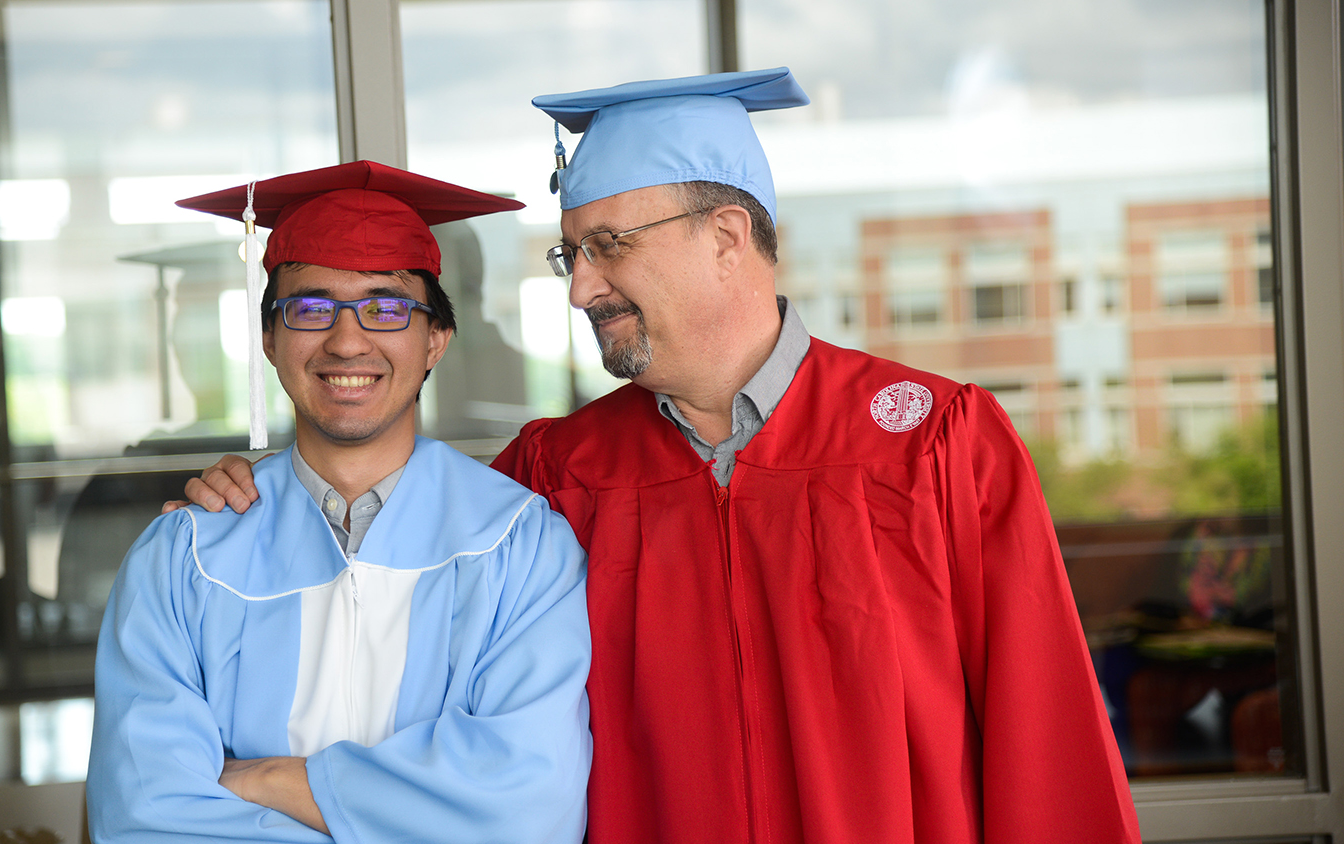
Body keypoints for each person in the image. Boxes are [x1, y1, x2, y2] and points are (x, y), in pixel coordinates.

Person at [177, 70, 1142, 844]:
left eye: (607, 246)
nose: (580, 287)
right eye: (571, 256)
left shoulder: (931, 440)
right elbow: (384, 623)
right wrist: (267, 497)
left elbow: (1042, 732)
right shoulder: (553, 475)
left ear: (727, 237)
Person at [88, 160, 592, 844]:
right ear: (269, 339)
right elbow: (144, 815)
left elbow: (526, 808)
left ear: (435, 341)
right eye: (310, 307)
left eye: (386, 307)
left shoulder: (520, 546)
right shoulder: (186, 557)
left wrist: (259, 778)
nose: (347, 340)